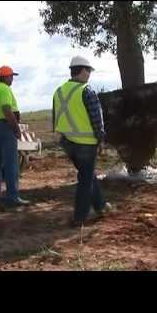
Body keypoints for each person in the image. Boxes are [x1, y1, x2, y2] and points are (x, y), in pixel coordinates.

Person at [52, 56, 111, 227]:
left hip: (67, 142)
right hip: (85, 144)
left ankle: (100, 206)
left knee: (87, 174)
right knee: (85, 179)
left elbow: (56, 116)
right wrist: (101, 140)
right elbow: (96, 119)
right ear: (83, 70)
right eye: (89, 71)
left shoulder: (59, 91)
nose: (90, 75)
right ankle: (80, 217)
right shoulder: (86, 90)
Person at [0, 66, 28, 207]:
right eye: (11, 76)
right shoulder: (4, 89)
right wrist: (15, 128)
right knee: (11, 163)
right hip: (5, 126)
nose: (12, 79)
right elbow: (6, 109)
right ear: (5, 77)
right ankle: (12, 196)